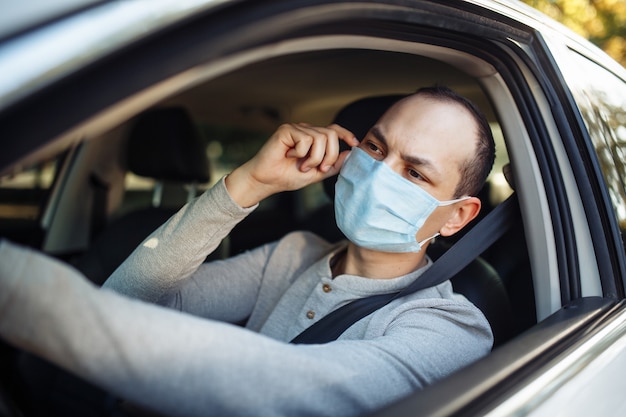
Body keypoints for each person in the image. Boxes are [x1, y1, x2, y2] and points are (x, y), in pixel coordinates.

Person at [0, 86, 495, 417]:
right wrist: (249, 183)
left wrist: (19, 291)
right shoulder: (293, 251)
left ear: (457, 215)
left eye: (414, 172)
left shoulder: (450, 327)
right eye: (374, 147)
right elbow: (129, 297)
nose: (381, 173)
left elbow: (289, 388)